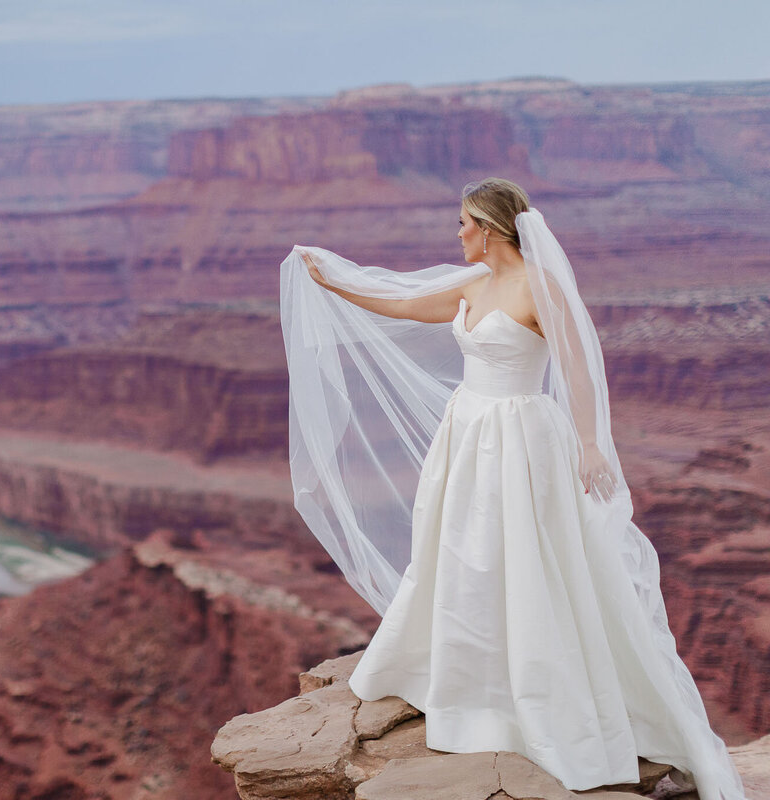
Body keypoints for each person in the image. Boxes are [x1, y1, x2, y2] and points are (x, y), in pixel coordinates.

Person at [279, 178, 746, 800]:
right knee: (463, 552)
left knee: (524, 555)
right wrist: (335, 283)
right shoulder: (471, 285)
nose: (459, 234)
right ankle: (469, 678)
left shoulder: (538, 286)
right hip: (467, 432)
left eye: (465, 224)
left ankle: (535, 689)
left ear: (493, 228)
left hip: (523, 437)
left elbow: (579, 365)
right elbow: (403, 305)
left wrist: (588, 444)